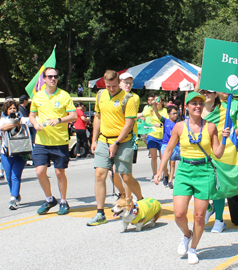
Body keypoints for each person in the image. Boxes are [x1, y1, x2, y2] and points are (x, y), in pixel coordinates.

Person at [154, 92, 230, 264]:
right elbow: (167, 150)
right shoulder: (179, 126)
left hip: (204, 172)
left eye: (200, 103)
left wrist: (224, 138)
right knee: (179, 213)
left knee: (199, 215)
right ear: (186, 107)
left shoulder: (210, 127)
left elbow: (217, 153)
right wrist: (160, 171)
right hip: (184, 171)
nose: (197, 106)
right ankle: (187, 235)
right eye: (194, 103)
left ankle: (194, 248)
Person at [87, 70, 143, 226]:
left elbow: (129, 123)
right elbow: (97, 117)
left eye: (113, 86)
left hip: (123, 140)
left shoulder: (128, 99)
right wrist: (94, 139)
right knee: (99, 174)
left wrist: (116, 143)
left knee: (126, 177)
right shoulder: (100, 95)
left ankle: (142, 202)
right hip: (104, 139)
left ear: (119, 82)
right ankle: (100, 213)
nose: (111, 89)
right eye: (108, 86)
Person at [29, 67, 77, 215]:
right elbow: (32, 115)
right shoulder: (38, 96)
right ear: (44, 79)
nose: (53, 79)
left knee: (59, 173)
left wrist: (59, 120)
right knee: (40, 172)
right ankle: (49, 199)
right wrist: (35, 124)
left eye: (55, 76)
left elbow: (73, 116)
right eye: (49, 76)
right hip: (42, 141)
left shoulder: (64, 95)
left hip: (59, 141)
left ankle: (63, 201)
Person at [203, 91, 238, 233]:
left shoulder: (234, 104)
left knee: (218, 185)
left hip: (225, 147)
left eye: (210, 92)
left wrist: (235, 135)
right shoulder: (204, 106)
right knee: (202, 184)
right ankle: (209, 207)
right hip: (204, 149)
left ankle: (219, 219)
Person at [1, 100, 31, 210]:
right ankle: (15, 194)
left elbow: (31, 122)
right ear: (6, 110)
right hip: (6, 153)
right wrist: (13, 124)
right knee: (8, 177)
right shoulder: (3, 120)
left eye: (14, 108)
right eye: (10, 108)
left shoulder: (22, 119)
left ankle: (13, 198)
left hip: (20, 153)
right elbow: (2, 128)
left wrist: (19, 123)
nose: (13, 110)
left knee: (15, 176)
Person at [144, 95, 169, 182]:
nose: (156, 103)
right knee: (153, 157)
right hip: (152, 135)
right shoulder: (151, 110)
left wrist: (161, 124)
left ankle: (165, 173)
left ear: (162, 102)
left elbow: (168, 123)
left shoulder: (166, 111)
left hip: (162, 137)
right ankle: (155, 174)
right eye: (155, 101)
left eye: (158, 101)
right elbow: (141, 115)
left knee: (163, 158)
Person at [155, 104, 180, 189]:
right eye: (174, 113)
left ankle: (170, 180)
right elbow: (157, 113)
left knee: (172, 163)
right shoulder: (165, 121)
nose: (176, 115)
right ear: (169, 114)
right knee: (164, 161)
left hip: (175, 145)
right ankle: (166, 175)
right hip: (165, 144)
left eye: (177, 113)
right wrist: (155, 106)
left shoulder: (179, 123)